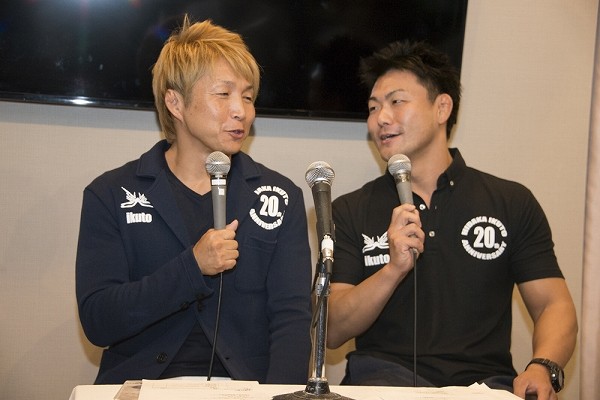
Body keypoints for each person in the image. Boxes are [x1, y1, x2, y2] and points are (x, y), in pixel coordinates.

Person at [326, 40, 578, 400]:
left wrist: (543, 366)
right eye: (373, 107)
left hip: (485, 387)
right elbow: (332, 329)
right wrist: (392, 270)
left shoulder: (510, 201)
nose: (380, 118)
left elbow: (554, 304)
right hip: (380, 384)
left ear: (442, 107)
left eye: (396, 102)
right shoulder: (351, 209)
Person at [75, 16, 312, 385]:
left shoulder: (280, 197)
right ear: (175, 103)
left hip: (245, 388)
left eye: (248, 96)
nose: (242, 111)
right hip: (141, 385)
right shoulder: (111, 193)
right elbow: (99, 321)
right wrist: (193, 267)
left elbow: (292, 320)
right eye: (224, 94)